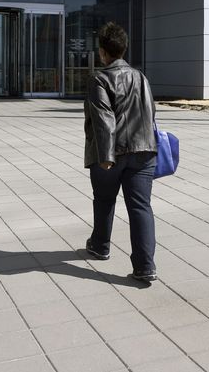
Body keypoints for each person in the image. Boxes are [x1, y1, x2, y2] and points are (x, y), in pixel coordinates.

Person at [84, 22, 158, 282]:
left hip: (113, 155)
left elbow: (104, 119)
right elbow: (151, 112)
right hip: (144, 150)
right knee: (140, 207)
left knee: (104, 200)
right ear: (123, 50)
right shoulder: (140, 76)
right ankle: (145, 267)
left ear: (103, 52)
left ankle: (100, 246)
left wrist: (105, 157)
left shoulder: (99, 79)